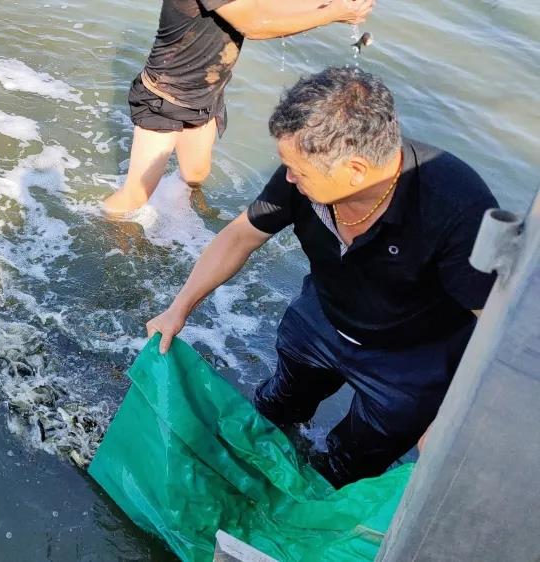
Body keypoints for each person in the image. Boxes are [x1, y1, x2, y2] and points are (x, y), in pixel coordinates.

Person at [145, 67, 498, 487]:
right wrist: (178, 309)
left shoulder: (457, 208)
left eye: (299, 171)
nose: (288, 178)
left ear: (355, 170)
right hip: (322, 319)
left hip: (412, 361)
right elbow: (240, 236)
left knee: (350, 464)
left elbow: (493, 325)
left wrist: (455, 418)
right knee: (274, 408)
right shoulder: (302, 175)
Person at [103, 0, 375, 214]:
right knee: (136, 196)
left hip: (205, 96)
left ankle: (180, 222)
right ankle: (105, 229)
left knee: (195, 176)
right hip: (164, 98)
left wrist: (331, 5)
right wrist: (332, 14)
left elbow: (265, 7)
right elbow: (254, 25)